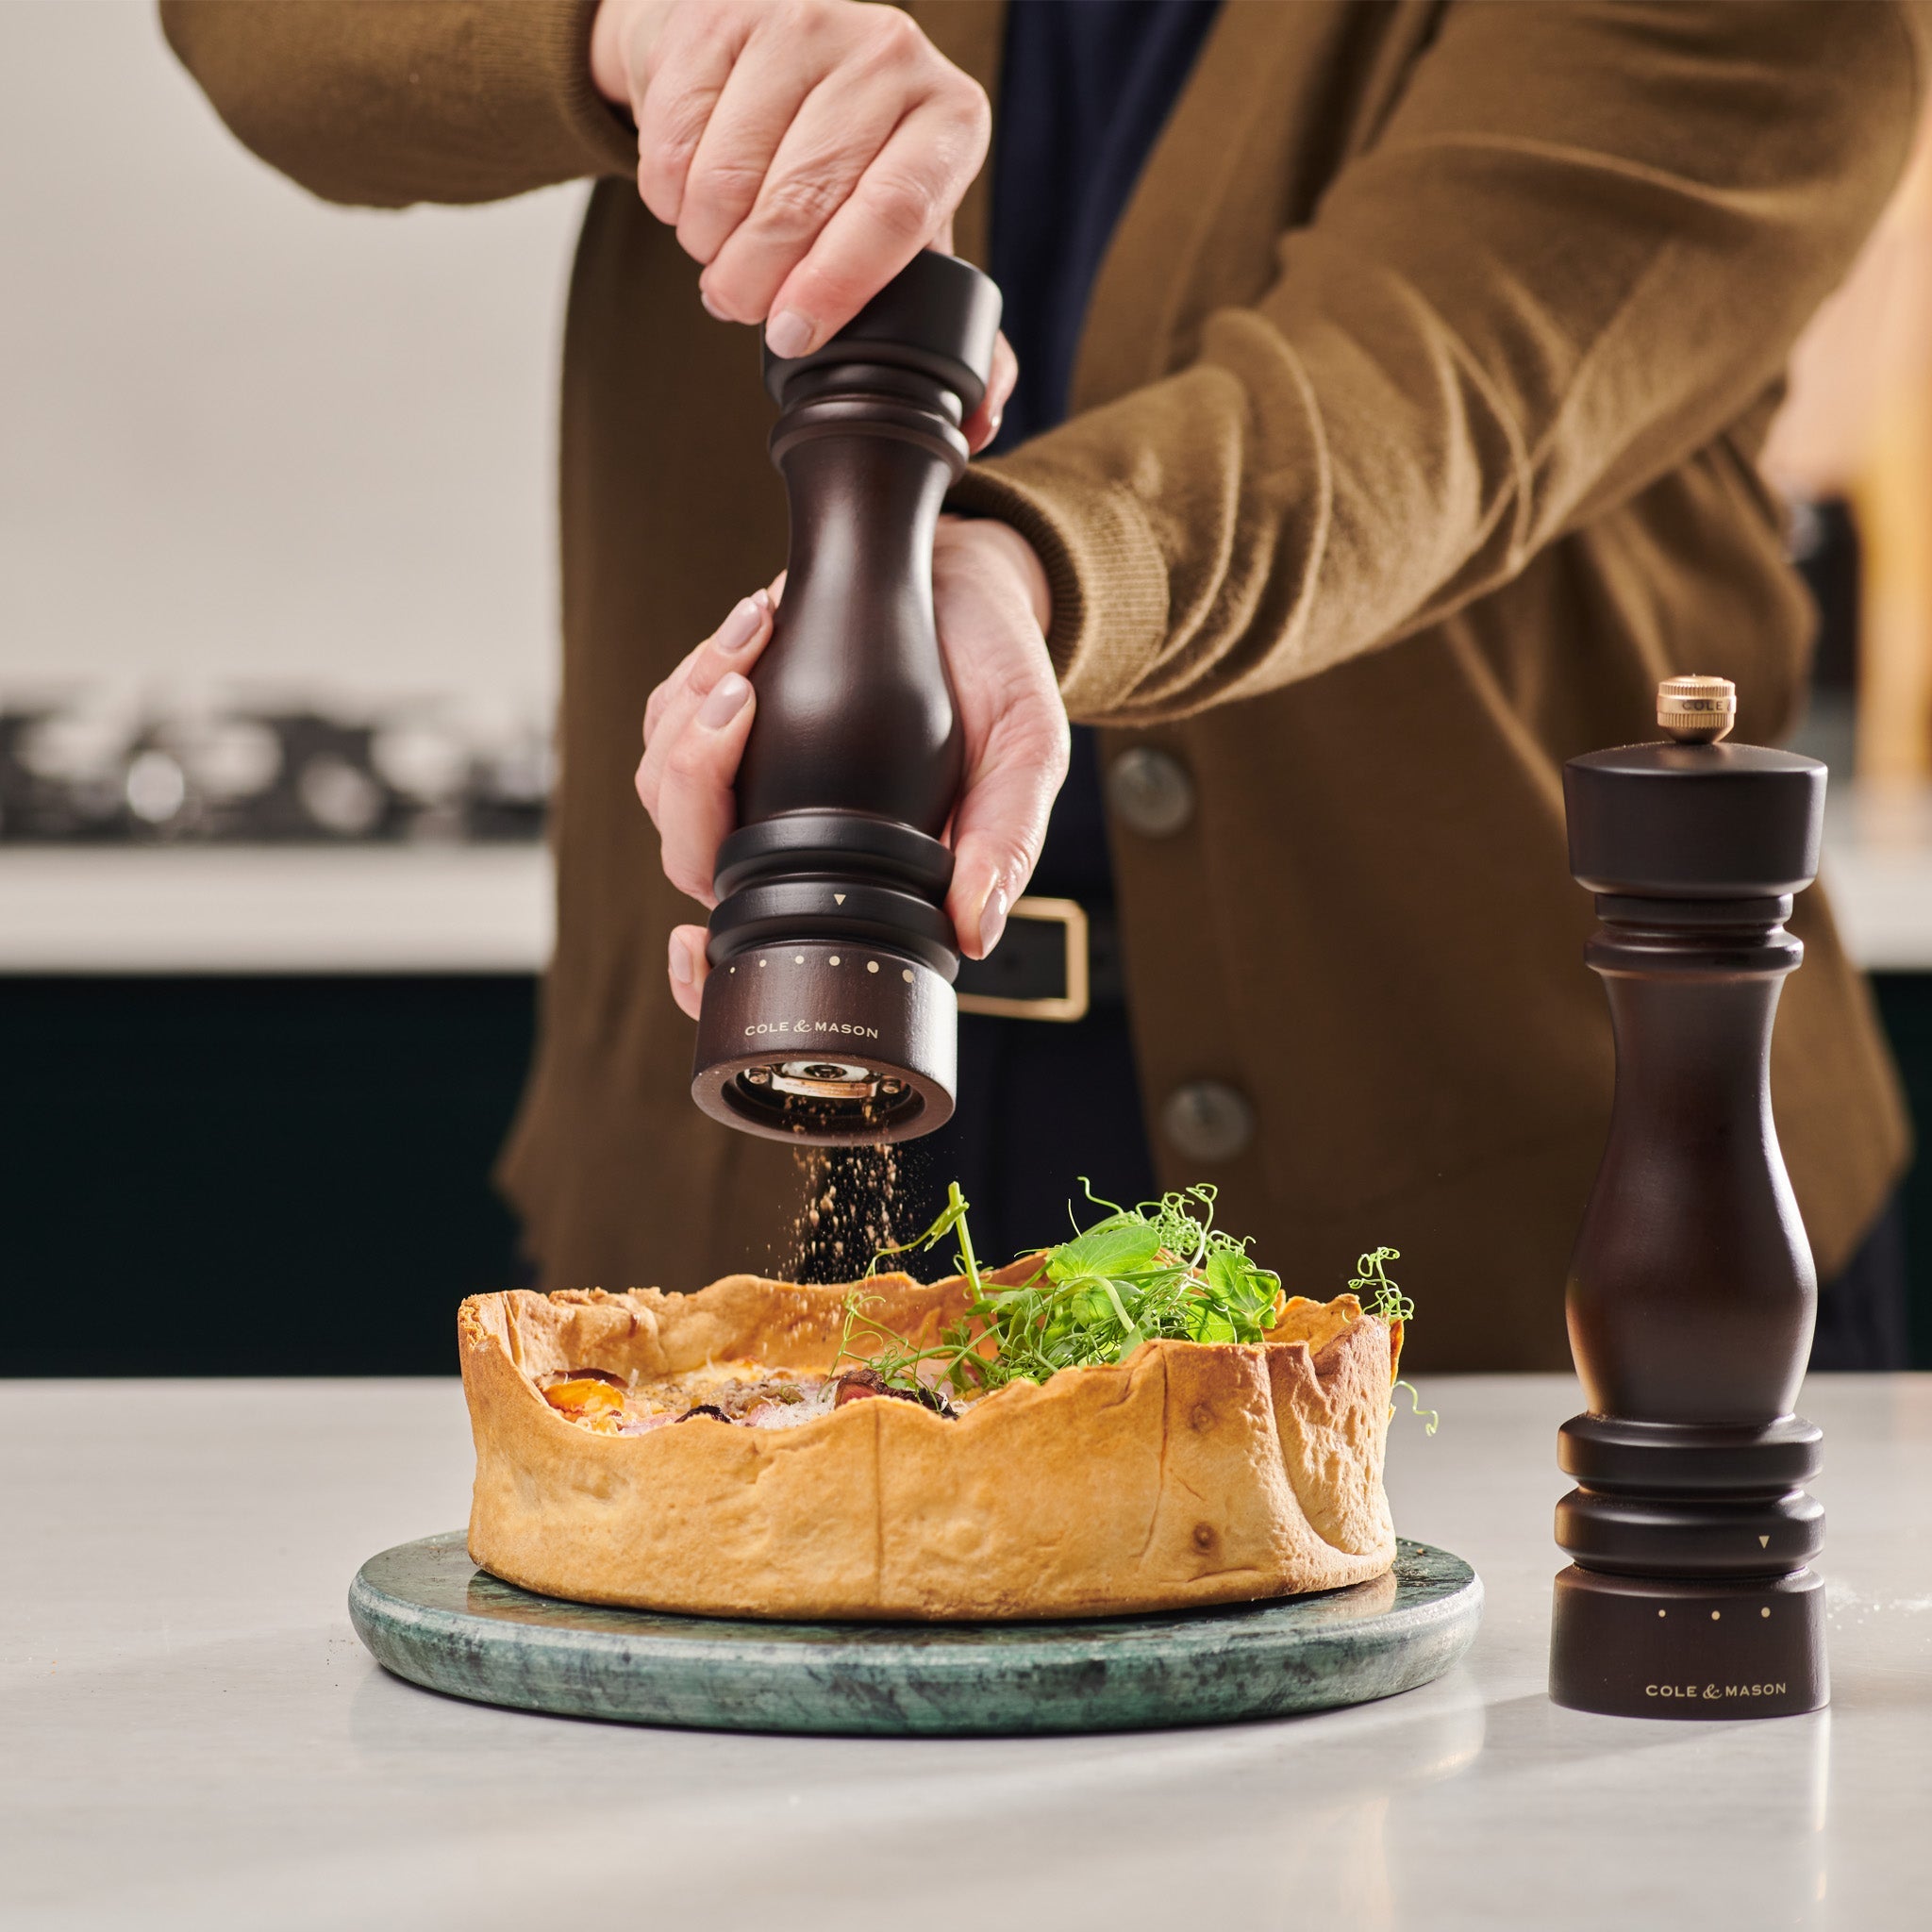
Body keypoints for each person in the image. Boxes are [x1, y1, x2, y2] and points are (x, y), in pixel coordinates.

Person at [163, 0, 1926, 1370]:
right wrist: (644, 22)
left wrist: (1020, 567)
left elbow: (1428, 398)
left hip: (1533, 1266)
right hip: (731, 1190)